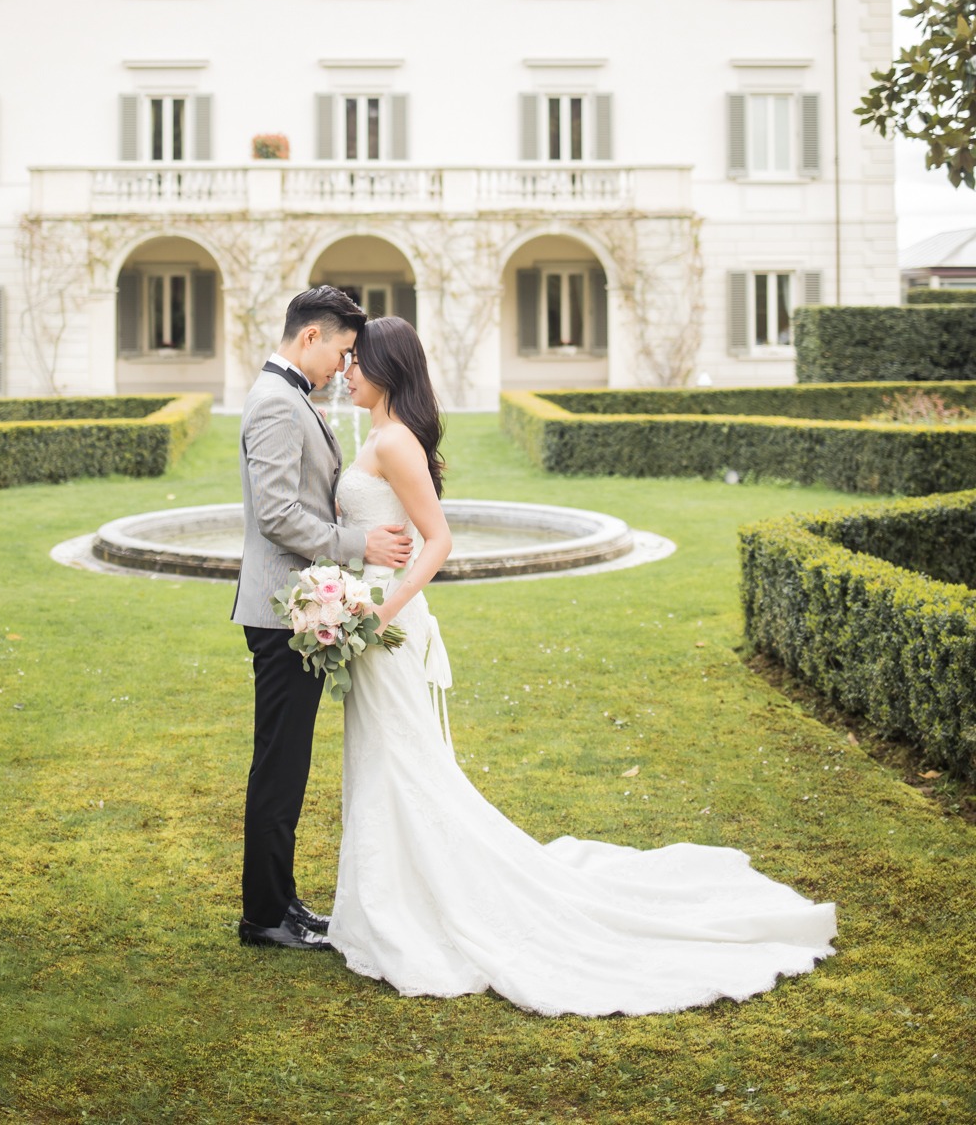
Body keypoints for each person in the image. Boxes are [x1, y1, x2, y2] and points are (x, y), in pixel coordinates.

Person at [327, 315, 838, 1015]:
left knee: (404, 761)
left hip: (388, 623)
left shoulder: (394, 441)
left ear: (388, 368)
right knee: (383, 758)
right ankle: (383, 903)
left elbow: (439, 540)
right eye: (344, 359)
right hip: (370, 613)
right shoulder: (376, 435)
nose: (345, 371)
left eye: (356, 361)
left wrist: (378, 614)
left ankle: (416, 908)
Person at [233, 286, 414, 951]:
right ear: (311, 337)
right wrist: (356, 546)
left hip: (297, 606)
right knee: (279, 766)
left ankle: (281, 900)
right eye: (341, 349)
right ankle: (263, 915)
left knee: (289, 762)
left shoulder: (288, 398)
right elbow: (277, 515)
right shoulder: (278, 404)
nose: (344, 366)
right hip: (283, 611)